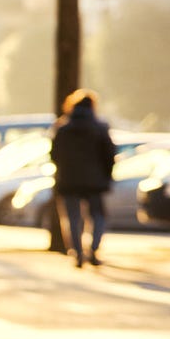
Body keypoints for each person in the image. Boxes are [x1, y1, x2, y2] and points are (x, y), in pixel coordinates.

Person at [50, 88, 116, 267]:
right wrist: (107, 175)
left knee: (72, 217)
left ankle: (77, 253)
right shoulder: (100, 128)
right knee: (98, 216)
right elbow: (110, 155)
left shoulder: (62, 128)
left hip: (68, 180)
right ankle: (94, 249)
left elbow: (54, 155)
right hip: (95, 181)